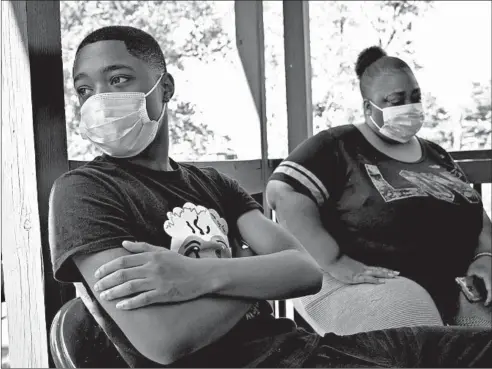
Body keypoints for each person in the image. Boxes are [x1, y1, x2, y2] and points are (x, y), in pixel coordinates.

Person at [49, 28, 492, 368]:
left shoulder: (213, 184)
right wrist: (255, 271)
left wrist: (195, 275)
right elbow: (164, 343)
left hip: (307, 352)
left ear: (165, 88)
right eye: (85, 89)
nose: (99, 101)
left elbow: (303, 271)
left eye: (119, 79)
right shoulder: (84, 193)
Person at [266, 46, 492, 336]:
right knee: (422, 343)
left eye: (415, 97)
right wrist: (334, 261)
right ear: (368, 107)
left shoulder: (436, 154)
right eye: (396, 100)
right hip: (385, 283)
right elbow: (283, 193)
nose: (409, 106)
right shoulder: (336, 144)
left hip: (459, 285)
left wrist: (485, 257)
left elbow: (476, 214)